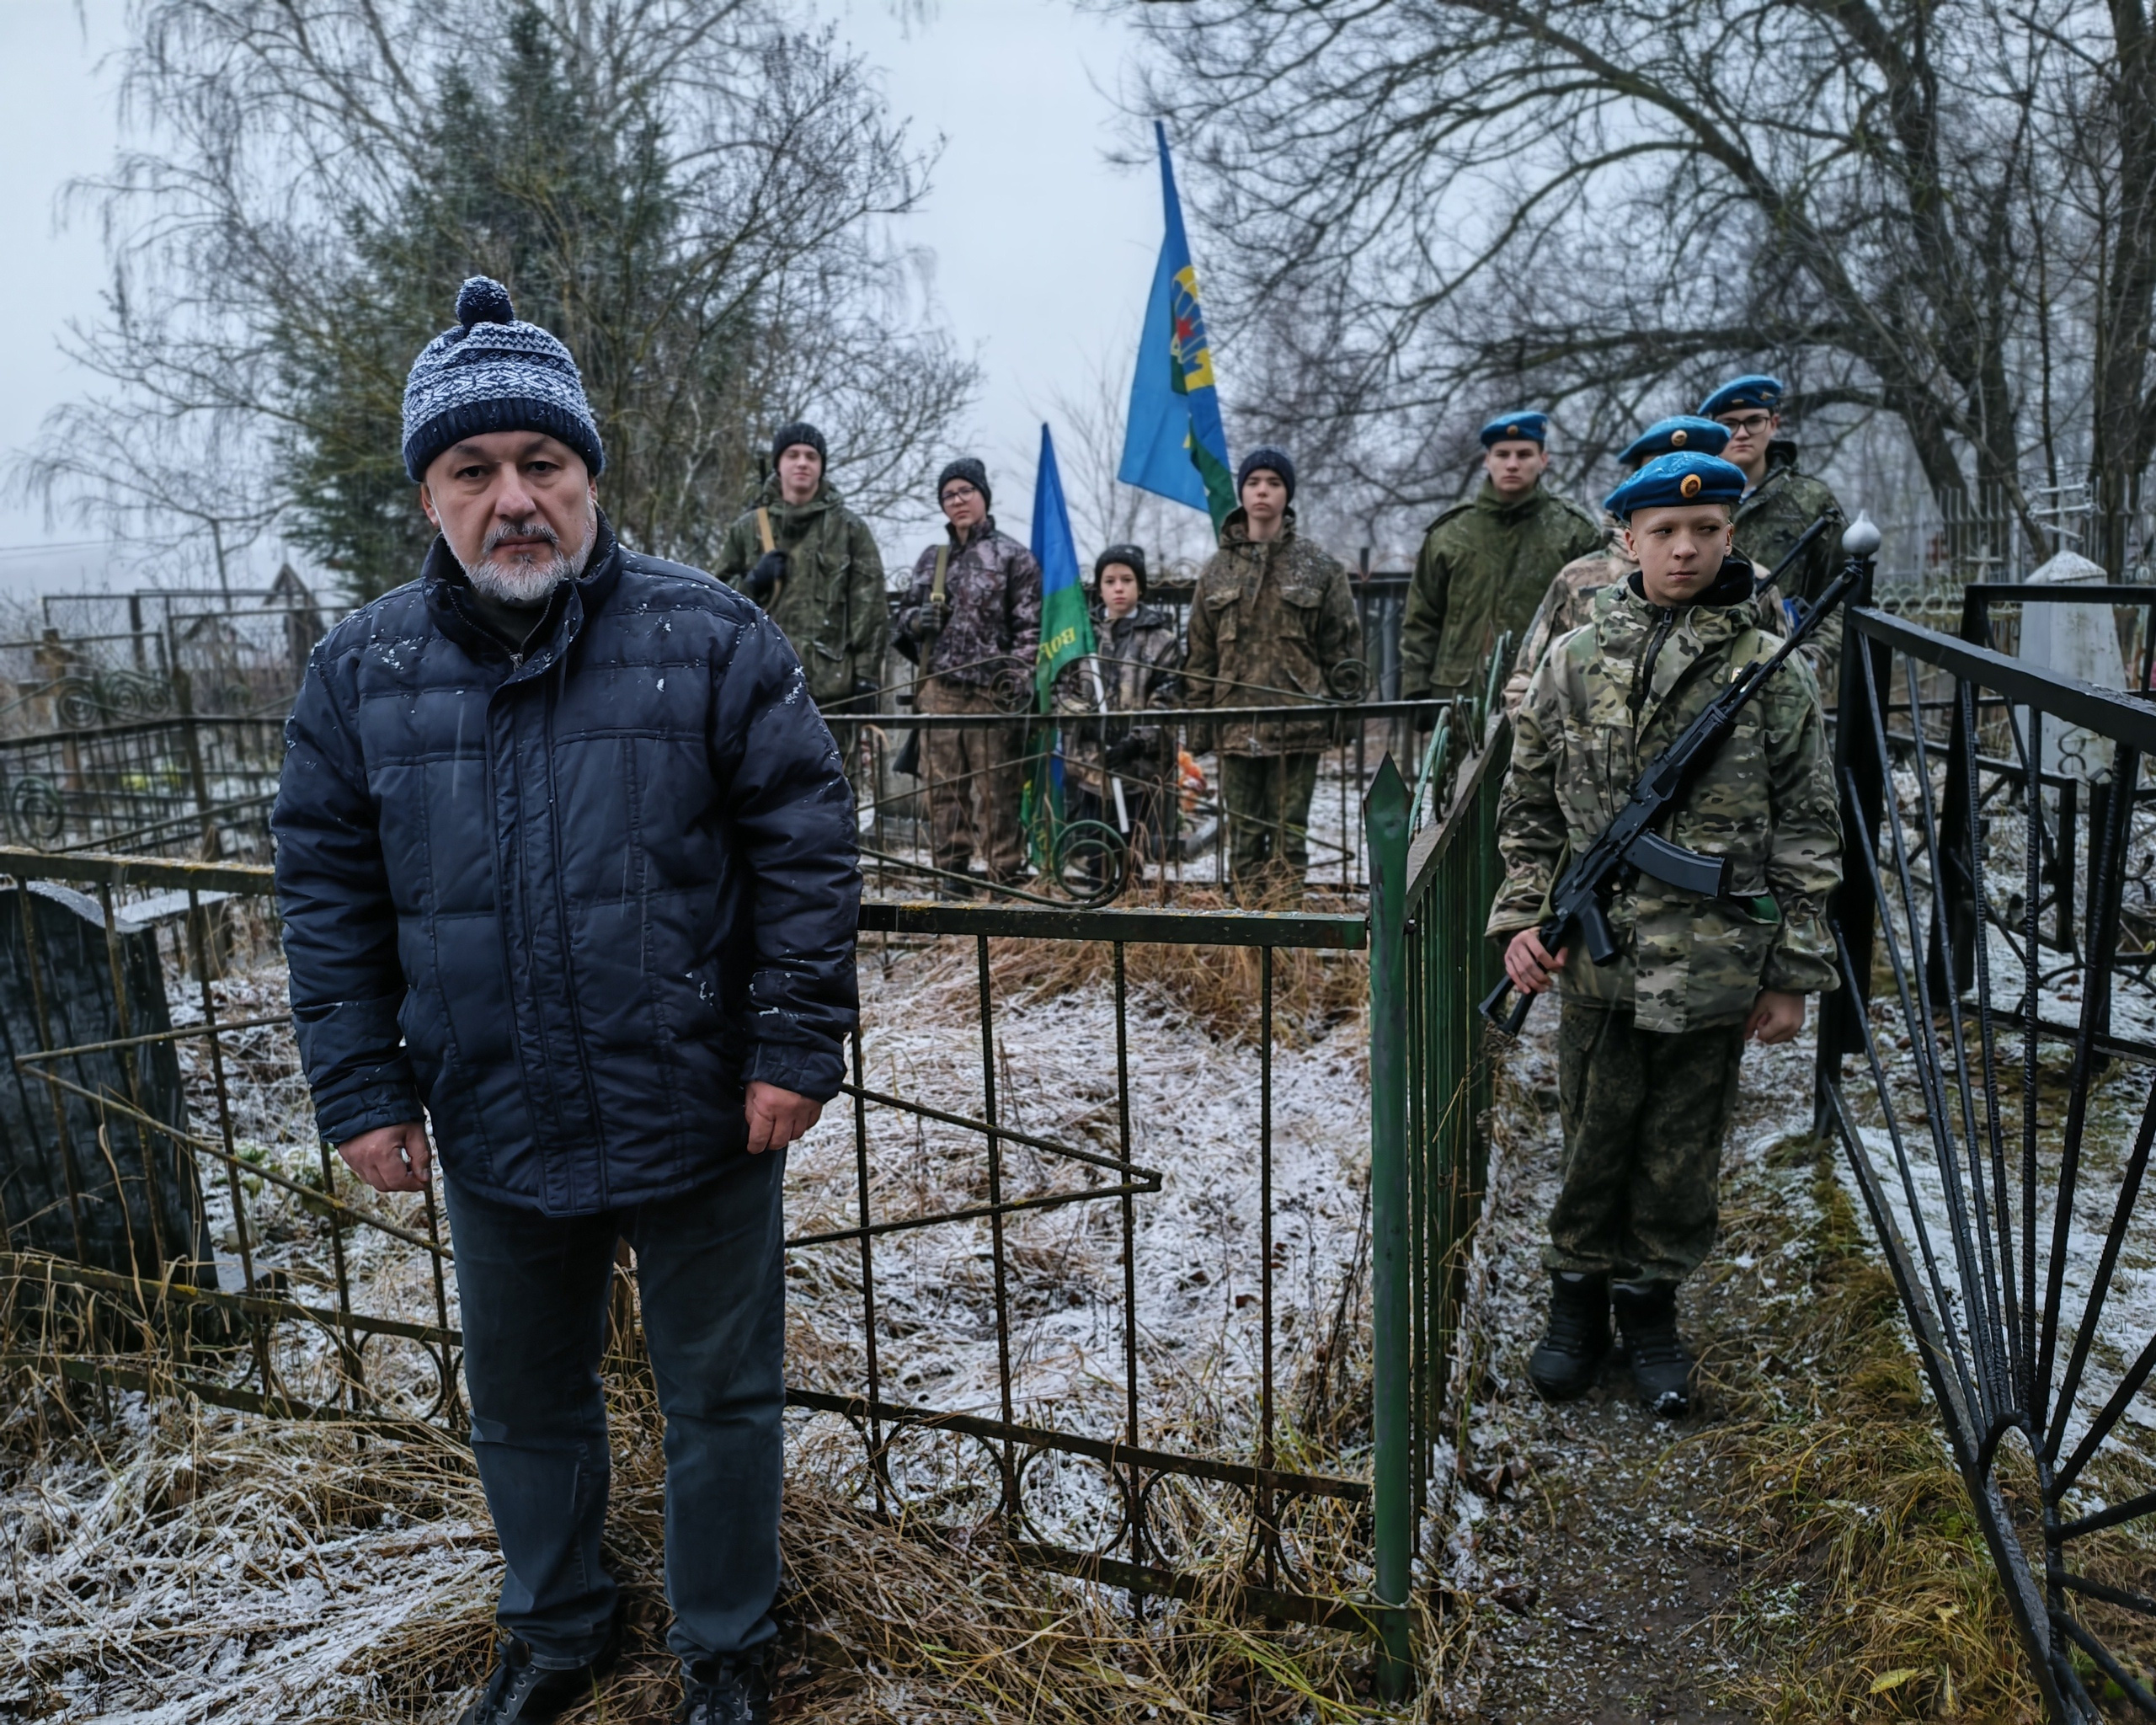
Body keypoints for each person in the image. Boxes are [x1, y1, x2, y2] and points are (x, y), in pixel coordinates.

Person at [273, 277, 858, 1725]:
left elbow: (805, 839)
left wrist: (793, 1040)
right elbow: (327, 893)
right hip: (494, 1107)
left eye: (544, 463)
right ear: (430, 496)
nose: (513, 497)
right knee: (527, 1400)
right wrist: (359, 1086)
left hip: (701, 1100)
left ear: (593, 478)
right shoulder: (362, 677)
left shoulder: (709, 639)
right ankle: (556, 1624)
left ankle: (724, 1641)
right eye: (474, 470)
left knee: (720, 1399)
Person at [1487, 450, 1842, 1418]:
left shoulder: (1770, 669)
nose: (1684, 548)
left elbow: (1809, 824)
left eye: (1706, 531)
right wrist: (1524, 914)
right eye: (1663, 533)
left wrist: (1792, 971)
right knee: (1592, 1134)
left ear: (1731, 535)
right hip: (1599, 954)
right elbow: (1526, 807)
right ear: (1626, 541)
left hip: (1716, 953)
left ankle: (1650, 1312)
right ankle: (1574, 1305)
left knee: (1682, 1144)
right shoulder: (1574, 659)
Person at [1502, 416, 1782, 714]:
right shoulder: (1579, 580)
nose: (1679, 475)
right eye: (1662, 467)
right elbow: (1526, 686)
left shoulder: (1754, 584)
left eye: (1696, 461)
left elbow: (1782, 684)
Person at [1183, 447, 1362, 894]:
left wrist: (1343, 715)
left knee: (1289, 836)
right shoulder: (1217, 570)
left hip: (1297, 722)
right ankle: (1248, 939)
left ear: (1287, 494)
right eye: (1254, 482)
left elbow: (1341, 647)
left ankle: (1286, 937)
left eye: (1274, 483)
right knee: (1242, 839)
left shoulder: (1319, 567)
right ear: (1242, 492)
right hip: (1234, 721)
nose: (1263, 491)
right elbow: (1201, 652)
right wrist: (1199, 721)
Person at [892, 457, 1042, 892]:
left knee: (998, 796)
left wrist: (1013, 680)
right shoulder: (931, 560)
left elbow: (1030, 629)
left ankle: (1004, 883)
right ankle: (950, 882)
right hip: (938, 692)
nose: (957, 501)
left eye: (964, 492)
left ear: (982, 496)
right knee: (943, 795)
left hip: (991, 695)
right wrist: (918, 622)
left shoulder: (1014, 557)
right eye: (948, 495)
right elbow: (900, 623)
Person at [1400, 409, 1604, 703]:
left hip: (1546, 694)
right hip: (1459, 695)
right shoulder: (1450, 532)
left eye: (1524, 454)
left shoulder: (1574, 531)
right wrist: (1416, 691)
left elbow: (1593, 620)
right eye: (1502, 454)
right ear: (1487, 460)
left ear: (1543, 460)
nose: (1512, 464)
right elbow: (1422, 618)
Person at [716, 419, 888, 741]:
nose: (802, 463)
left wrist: (867, 680)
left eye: (811, 456)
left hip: (834, 693)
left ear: (822, 467)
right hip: (761, 687)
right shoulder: (746, 529)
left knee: (835, 786)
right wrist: (752, 582)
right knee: (766, 787)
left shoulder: (850, 530)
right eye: (792, 454)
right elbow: (713, 605)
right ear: (778, 464)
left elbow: (871, 610)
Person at [1700, 373, 1846, 691]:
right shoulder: (1694, 498)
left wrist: (1814, 657)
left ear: (1774, 423)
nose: (1741, 434)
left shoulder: (1811, 501)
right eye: (1728, 424)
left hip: (1783, 670)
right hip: (1700, 669)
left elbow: (1843, 590)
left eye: (1754, 421)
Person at [1049, 543, 1181, 868]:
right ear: (1100, 587)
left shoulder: (1161, 640)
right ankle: (1098, 908)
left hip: (1138, 768)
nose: (1118, 588)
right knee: (1097, 852)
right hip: (1091, 767)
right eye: (1110, 581)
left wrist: (1138, 740)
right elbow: (1061, 686)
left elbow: (1169, 696)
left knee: (1131, 849)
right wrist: (1083, 718)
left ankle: (1129, 907)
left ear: (1140, 586)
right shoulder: (1082, 636)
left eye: (1127, 579)